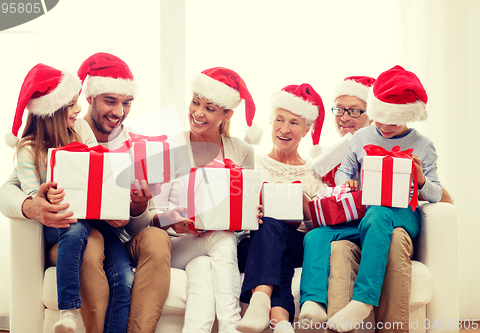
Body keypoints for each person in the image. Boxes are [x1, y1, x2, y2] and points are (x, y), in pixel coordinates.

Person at [0, 53, 171, 333]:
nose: (119, 112)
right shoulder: (59, 139)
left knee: (153, 242)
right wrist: (31, 205)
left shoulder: (136, 146)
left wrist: (134, 210)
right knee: (91, 243)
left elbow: (139, 224)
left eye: (127, 103)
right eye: (110, 101)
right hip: (75, 231)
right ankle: (74, 316)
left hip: (119, 235)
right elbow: (5, 192)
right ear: (90, 98)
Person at [300, 65, 442, 332]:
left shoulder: (424, 145)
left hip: (402, 215)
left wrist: (421, 179)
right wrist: (348, 183)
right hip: (365, 217)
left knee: (378, 211)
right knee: (314, 236)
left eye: (394, 121)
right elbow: (342, 173)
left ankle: (363, 300)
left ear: (409, 116)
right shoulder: (361, 138)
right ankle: (313, 302)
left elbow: (436, 194)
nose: (386, 127)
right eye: (380, 119)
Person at [149, 67, 256, 333]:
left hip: (212, 247)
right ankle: (232, 325)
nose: (198, 113)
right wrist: (173, 221)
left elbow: (246, 212)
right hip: (178, 241)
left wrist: (251, 213)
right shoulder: (170, 148)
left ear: (227, 114)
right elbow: (151, 213)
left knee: (204, 266)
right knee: (221, 240)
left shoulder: (241, 152)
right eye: (195, 102)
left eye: (209, 108)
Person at [9, 63, 97, 333]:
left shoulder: (81, 130)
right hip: (55, 222)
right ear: (53, 112)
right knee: (71, 227)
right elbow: (33, 194)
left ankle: (70, 312)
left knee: (77, 227)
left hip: (86, 214)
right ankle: (68, 311)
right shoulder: (28, 150)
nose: (79, 110)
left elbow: (100, 169)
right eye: (72, 105)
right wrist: (44, 195)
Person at [235, 84, 326, 333]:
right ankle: (281, 321)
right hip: (253, 242)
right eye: (279, 119)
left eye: (294, 123)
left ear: (307, 129)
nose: (284, 129)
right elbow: (233, 216)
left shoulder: (315, 172)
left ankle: (259, 301)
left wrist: (306, 205)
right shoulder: (252, 162)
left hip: (297, 242)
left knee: (273, 229)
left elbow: (322, 230)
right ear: (271, 121)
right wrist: (248, 213)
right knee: (273, 241)